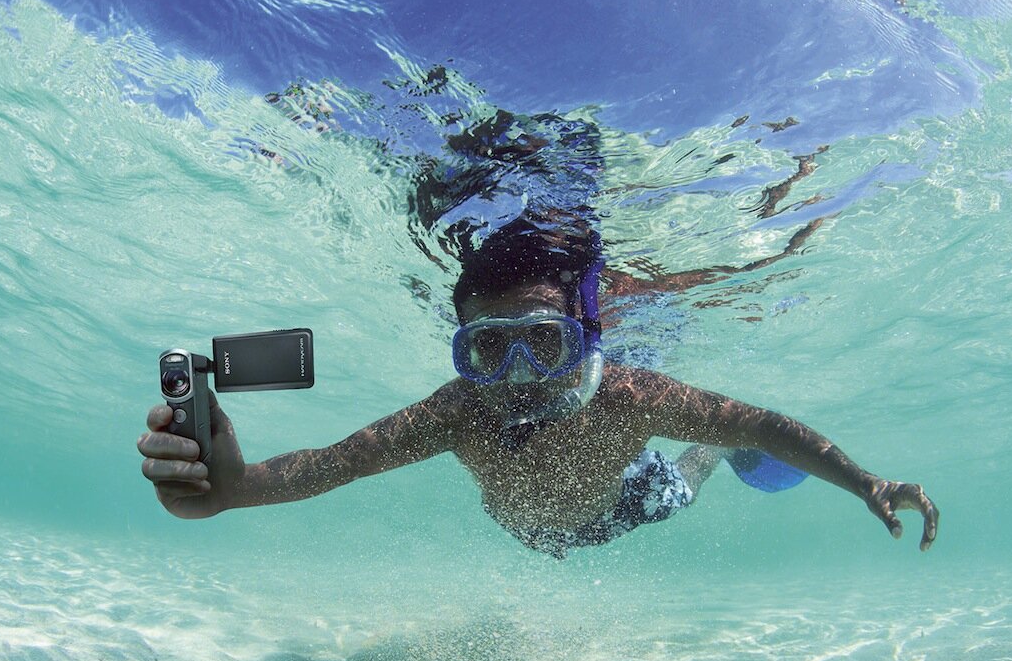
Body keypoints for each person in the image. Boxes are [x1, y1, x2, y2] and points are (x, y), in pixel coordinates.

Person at [137, 220, 939, 559]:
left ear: (584, 343)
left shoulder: (629, 394)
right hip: (531, 533)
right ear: (463, 351)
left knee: (693, 474)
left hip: (622, 507)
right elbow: (332, 463)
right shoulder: (458, 413)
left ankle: (707, 454)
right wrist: (231, 491)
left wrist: (863, 479)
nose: (517, 379)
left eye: (544, 346)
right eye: (489, 348)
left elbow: (763, 424)